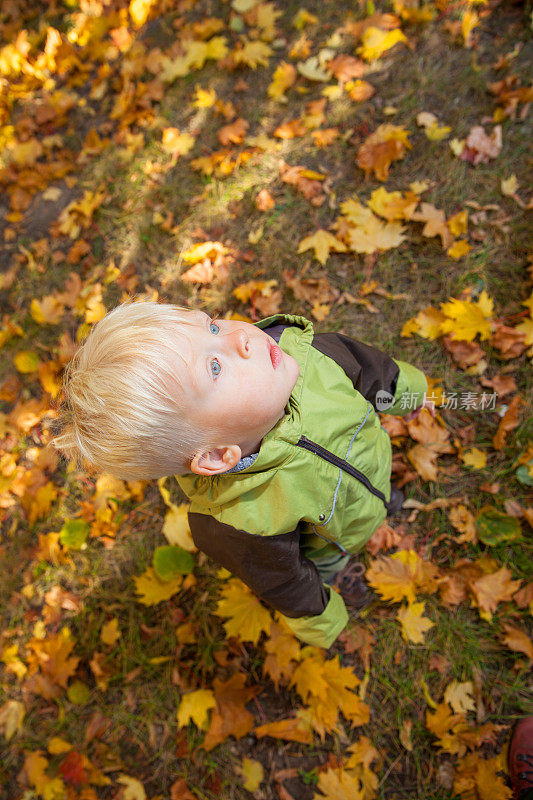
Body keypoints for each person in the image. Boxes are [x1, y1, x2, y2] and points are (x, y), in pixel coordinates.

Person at [54, 300, 429, 648]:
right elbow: (284, 579)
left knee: (377, 486)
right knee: (325, 564)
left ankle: (384, 497)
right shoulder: (238, 519)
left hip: (372, 459)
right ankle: (339, 576)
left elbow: (374, 371)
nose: (240, 337)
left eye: (212, 327)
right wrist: (320, 618)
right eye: (214, 367)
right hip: (332, 539)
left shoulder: (314, 356)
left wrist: (406, 396)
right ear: (218, 455)